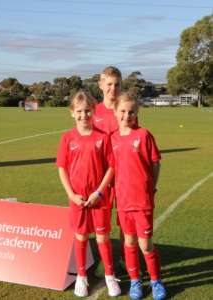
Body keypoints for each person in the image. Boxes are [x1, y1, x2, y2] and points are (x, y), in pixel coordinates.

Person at [56, 91, 121, 297]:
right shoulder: (67, 138)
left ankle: (110, 277)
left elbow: (111, 167)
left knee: (102, 237)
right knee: (81, 237)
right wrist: (72, 195)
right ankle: (81, 278)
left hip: (98, 198)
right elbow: (62, 169)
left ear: (94, 111)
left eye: (88, 110)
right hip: (77, 198)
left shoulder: (103, 137)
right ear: (72, 112)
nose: (84, 115)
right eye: (79, 111)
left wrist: (99, 193)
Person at [111, 92, 166, 300]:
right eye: (123, 111)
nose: (127, 115)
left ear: (137, 112)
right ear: (115, 112)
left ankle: (156, 280)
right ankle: (135, 281)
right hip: (123, 202)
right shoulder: (112, 138)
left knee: (145, 245)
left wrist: (151, 188)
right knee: (129, 244)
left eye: (131, 111)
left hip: (142, 200)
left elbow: (156, 163)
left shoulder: (143, 135)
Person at [93, 66, 139, 277]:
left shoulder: (126, 110)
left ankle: (124, 258)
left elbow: (133, 141)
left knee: (124, 221)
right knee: (102, 221)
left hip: (124, 177)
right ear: (101, 85)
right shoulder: (93, 112)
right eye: (109, 84)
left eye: (117, 84)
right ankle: (106, 261)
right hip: (100, 177)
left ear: (121, 86)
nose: (113, 88)